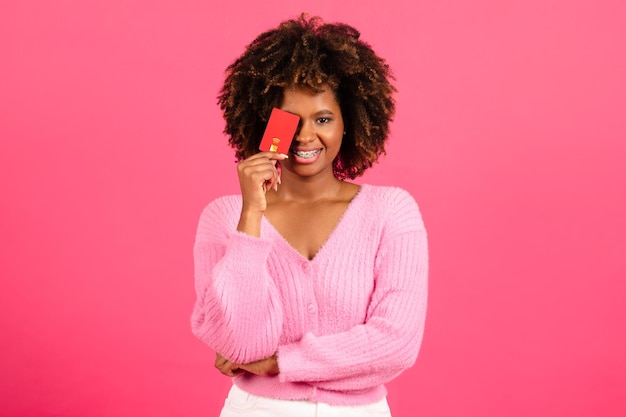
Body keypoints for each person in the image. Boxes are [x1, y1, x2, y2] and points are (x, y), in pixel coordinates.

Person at [191, 14, 428, 417]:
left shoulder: (391, 212)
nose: (304, 136)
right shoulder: (224, 217)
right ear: (265, 123)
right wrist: (251, 215)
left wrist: (281, 362)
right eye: (290, 120)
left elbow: (396, 343)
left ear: (348, 123)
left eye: (323, 119)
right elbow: (240, 344)